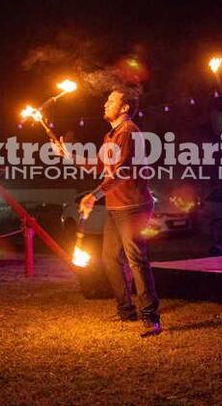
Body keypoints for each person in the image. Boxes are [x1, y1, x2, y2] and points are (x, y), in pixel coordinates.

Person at [66, 86, 161, 337]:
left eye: (111, 100)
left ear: (125, 107)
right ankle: (126, 310)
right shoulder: (111, 136)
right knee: (109, 258)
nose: (105, 104)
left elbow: (123, 171)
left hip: (134, 207)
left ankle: (150, 317)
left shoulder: (129, 133)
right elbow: (99, 166)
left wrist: (93, 195)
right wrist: (67, 154)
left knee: (136, 260)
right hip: (116, 207)